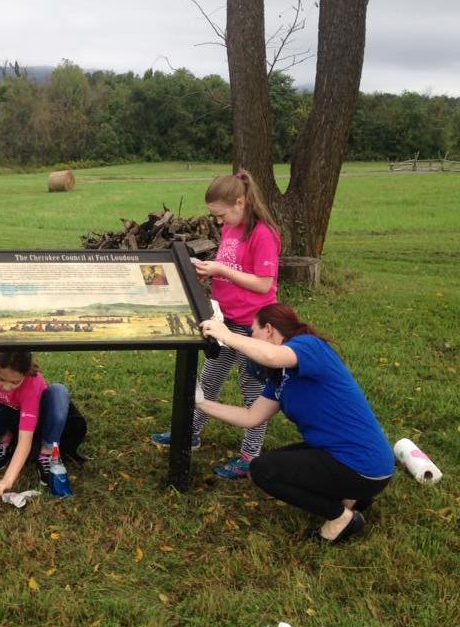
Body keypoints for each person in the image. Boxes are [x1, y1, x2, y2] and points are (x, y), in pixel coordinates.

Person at [198, 303, 394, 543]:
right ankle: (352, 498)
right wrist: (200, 403)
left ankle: (341, 517)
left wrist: (227, 335)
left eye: (254, 332)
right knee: (271, 463)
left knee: (264, 471)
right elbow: (251, 418)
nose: (252, 338)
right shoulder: (280, 377)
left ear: (269, 330)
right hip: (350, 460)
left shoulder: (309, 346)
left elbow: (270, 354)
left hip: (364, 465)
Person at [152, 169, 281, 479]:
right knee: (209, 381)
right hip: (224, 321)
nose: (220, 222)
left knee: (252, 391)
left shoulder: (263, 234)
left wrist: (221, 269)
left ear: (241, 202)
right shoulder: (232, 230)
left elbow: (264, 284)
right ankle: (191, 434)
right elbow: (232, 270)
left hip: (252, 327)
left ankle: (250, 456)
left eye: (222, 215)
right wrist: (210, 272)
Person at [0, 351, 72, 503]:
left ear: (25, 374)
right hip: (5, 411)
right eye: (1, 379)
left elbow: (25, 441)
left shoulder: (32, 384)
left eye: (15, 382)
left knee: (59, 392)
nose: (7, 387)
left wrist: (7, 481)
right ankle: (4, 438)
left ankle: (47, 452)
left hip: (37, 417)